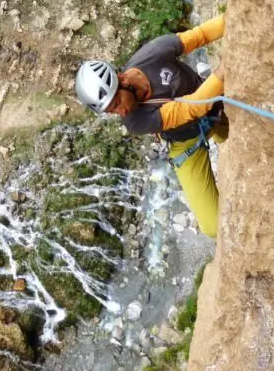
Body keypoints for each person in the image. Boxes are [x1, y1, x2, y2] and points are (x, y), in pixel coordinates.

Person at [74, 15, 227, 238]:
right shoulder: (135, 122)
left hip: (216, 106)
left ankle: (226, 140)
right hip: (187, 142)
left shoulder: (151, 55)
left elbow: (200, 35)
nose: (121, 113)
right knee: (212, 226)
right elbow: (190, 110)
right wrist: (223, 72)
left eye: (116, 103)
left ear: (121, 80)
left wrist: (235, 19)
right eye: (111, 111)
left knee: (239, 133)